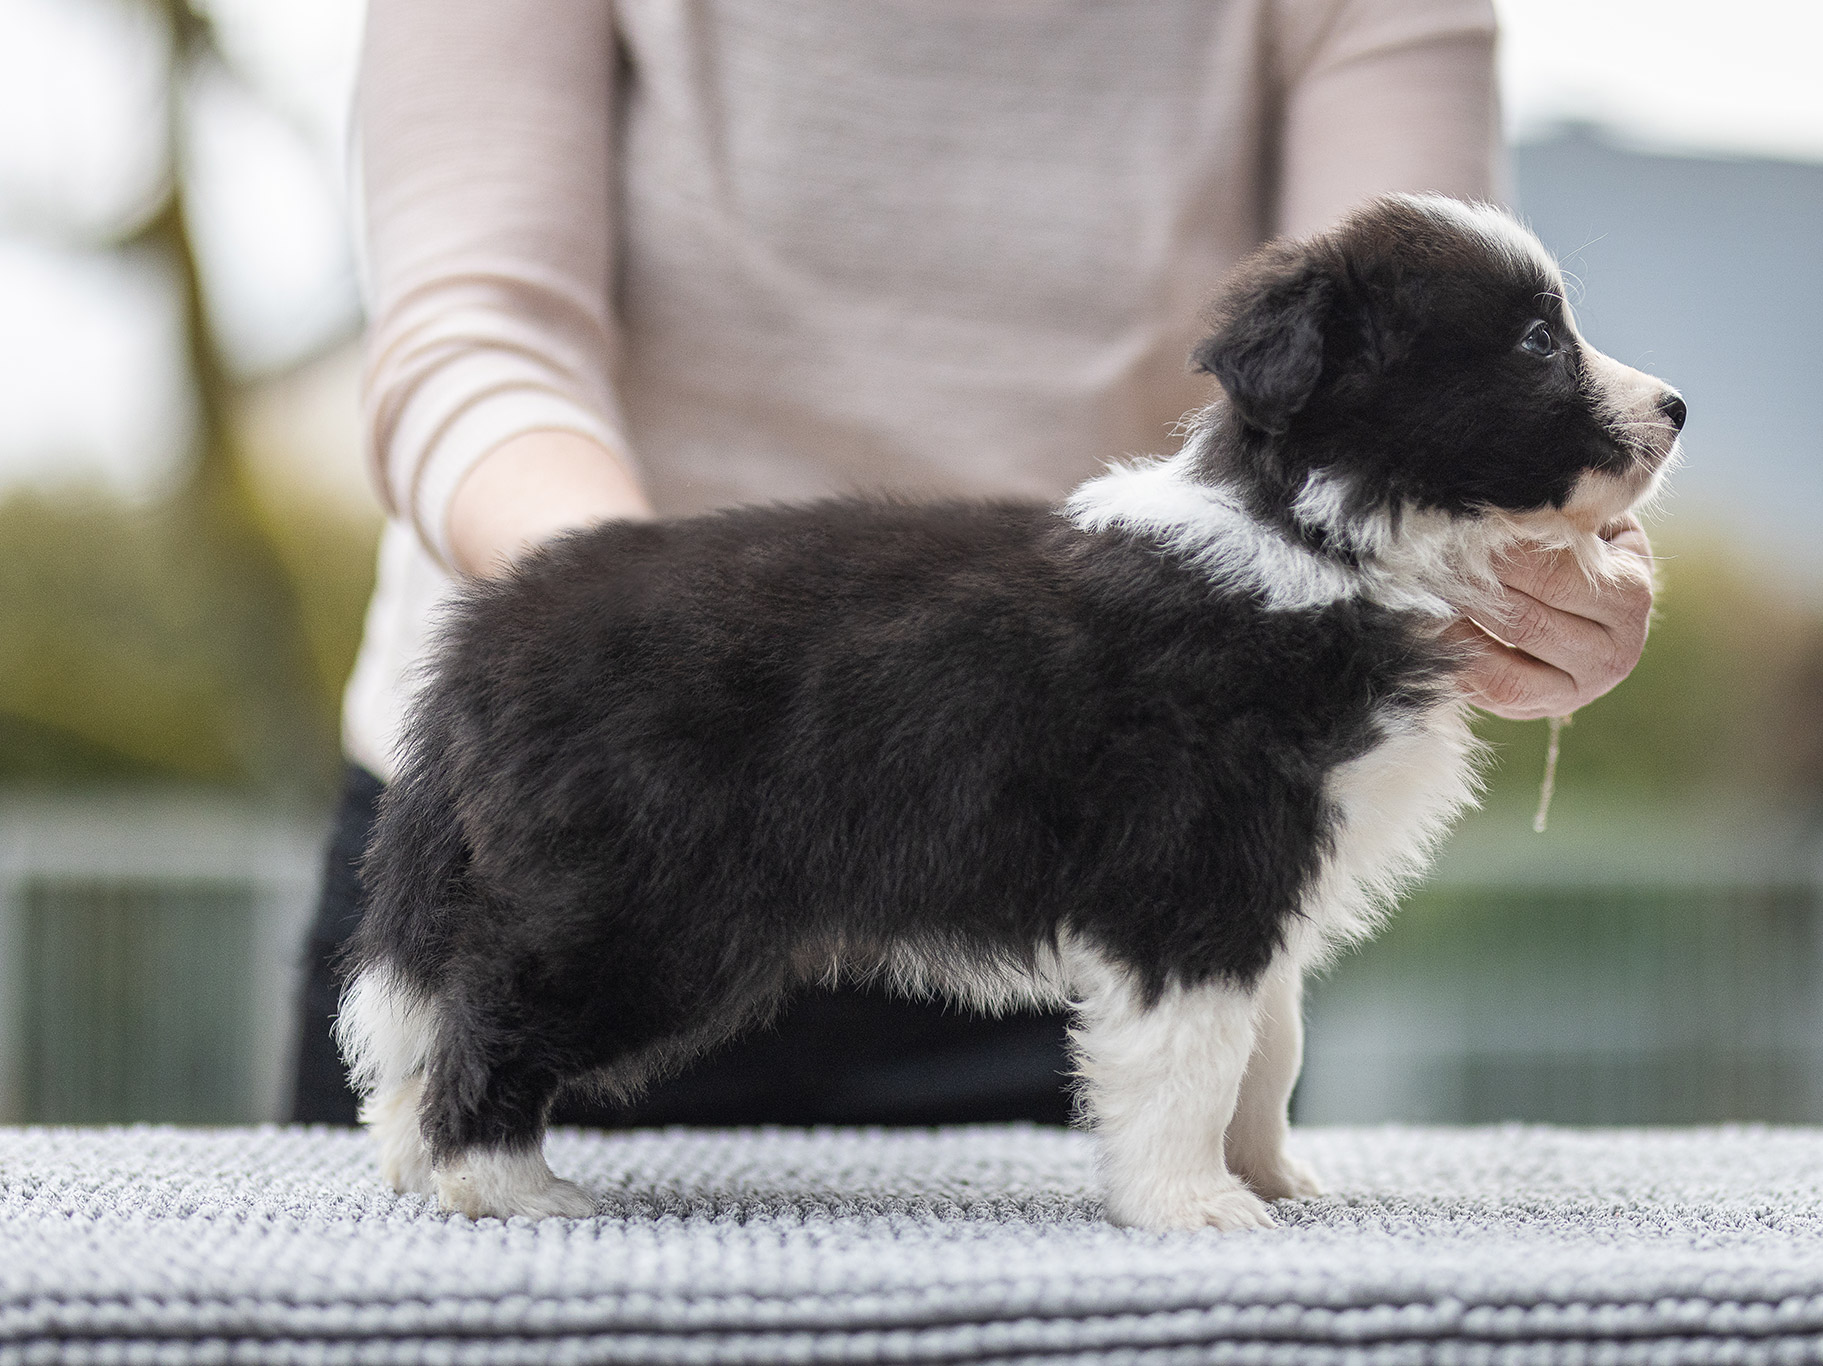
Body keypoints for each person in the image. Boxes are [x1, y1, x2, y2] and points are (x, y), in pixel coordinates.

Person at [290, 0, 1656, 1126]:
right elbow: (473, 330)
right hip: (635, 768)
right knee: (503, 1102)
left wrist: (1558, 567)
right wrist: (637, 659)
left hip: (1079, 815)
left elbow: (1442, 352)